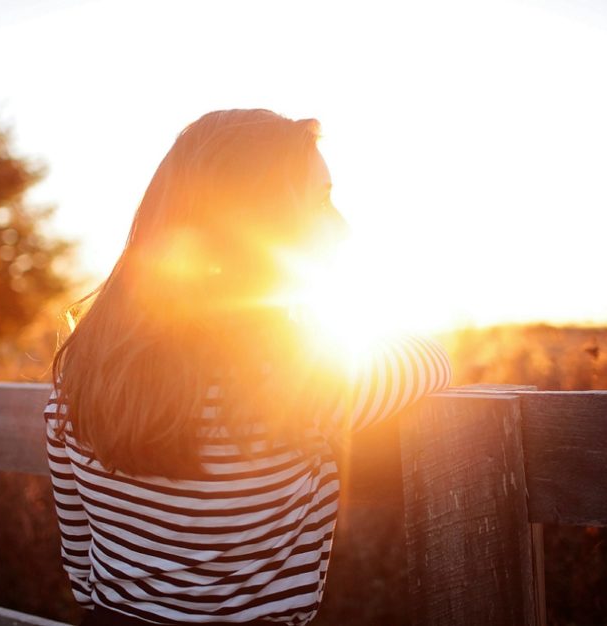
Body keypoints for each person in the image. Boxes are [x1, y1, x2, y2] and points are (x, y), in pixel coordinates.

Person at [44, 109, 452, 626]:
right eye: (322, 199)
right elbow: (433, 360)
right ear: (260, 221)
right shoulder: (292, 373)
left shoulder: (81, 367)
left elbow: (79, 558)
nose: (343, 226)